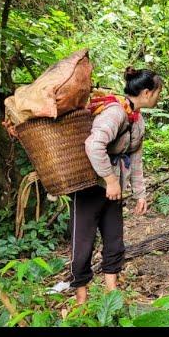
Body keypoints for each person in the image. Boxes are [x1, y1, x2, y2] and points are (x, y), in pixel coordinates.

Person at [69, 66, 163, 304]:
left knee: (114, 240)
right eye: (158, 91)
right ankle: (81, 300)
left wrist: (140, 193)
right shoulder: (114, 113)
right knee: (83, 245)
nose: (160, 96)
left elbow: (136, 159)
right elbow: (93, 145)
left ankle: (112, 295)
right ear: (146, 92)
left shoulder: (137, 120)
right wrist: (110, 179)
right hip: (90, 186)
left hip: (114, 190)